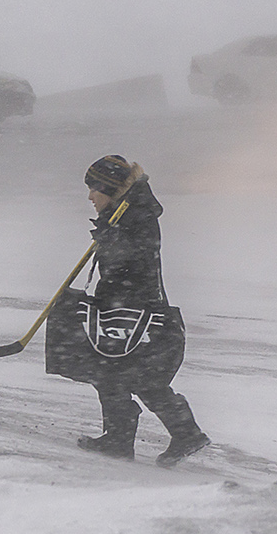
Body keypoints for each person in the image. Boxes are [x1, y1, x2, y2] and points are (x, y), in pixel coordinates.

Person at [61, 155, 209, 467]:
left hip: (134, 306)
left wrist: (110, 241)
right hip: (123, 303)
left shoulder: (135, 216)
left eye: (94, 190)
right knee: (113, 371)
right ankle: (122, 437)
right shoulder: (124, 213)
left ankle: (183, 433)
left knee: (137, 375)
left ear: (110, 188)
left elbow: (136, 259)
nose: (90, 197)